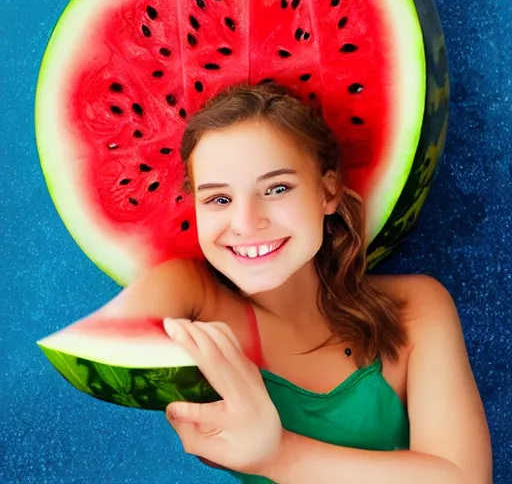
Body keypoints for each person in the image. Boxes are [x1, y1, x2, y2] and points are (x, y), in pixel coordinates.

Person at [104, 83, 492, 483]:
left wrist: (277, 455)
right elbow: (103, 339)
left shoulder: (418, 307)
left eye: (277, 189)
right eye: (219, 199)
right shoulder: (191, 295)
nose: (246, 223)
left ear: (328, 191)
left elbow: (464, 478)